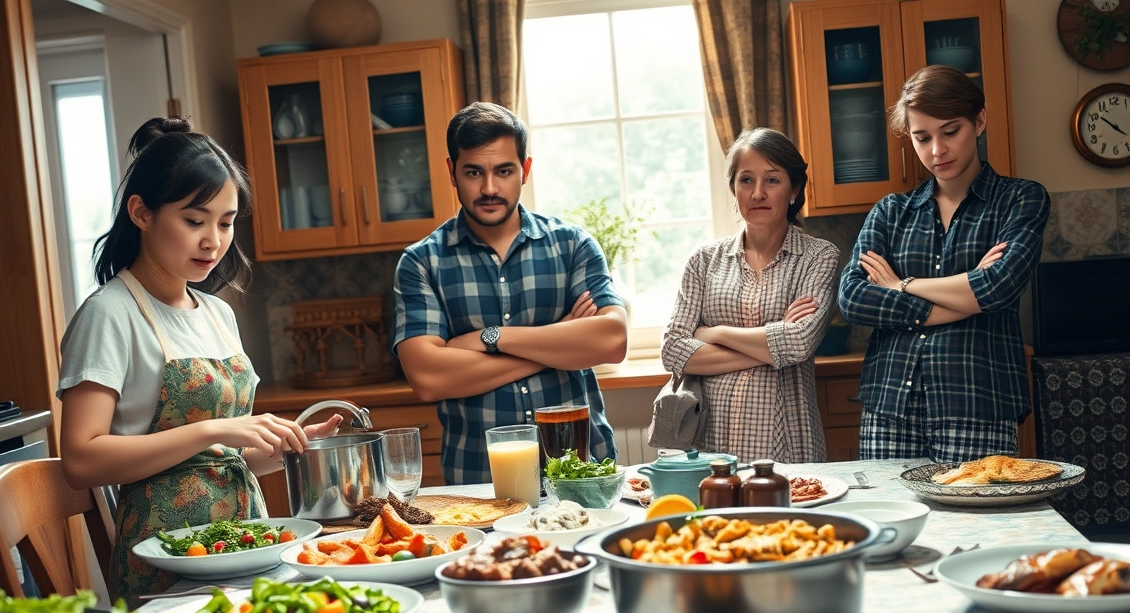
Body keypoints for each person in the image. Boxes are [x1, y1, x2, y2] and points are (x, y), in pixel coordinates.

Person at [57, 116, 342, 606]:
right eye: (194, 221)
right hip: (163, 559)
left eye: (226, 223)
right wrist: (214, 430)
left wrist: (282, 447)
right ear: (141, 213)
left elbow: (219, 462)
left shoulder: (216, 314)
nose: (213, 240)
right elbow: (81, 460)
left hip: (244, 545)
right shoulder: (109, 313)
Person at [393, 102, 628, 484]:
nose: (489, 188)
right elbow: (427, 377)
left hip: (583, 473)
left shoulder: (572, 246)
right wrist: (557, 344)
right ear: (451, 172)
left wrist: (491, 339)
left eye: (504, 171)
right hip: (479, 482)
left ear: (526, 170)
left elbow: (612, 341)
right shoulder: (423, 262)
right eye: (474, 172)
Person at [836, 65, 1050, 464]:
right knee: (894, 524)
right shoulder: (890, 212)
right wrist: (966, 293)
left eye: (950, 131)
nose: (937, 150)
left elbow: (999, 287)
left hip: (978, 403)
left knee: (976, 525)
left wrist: (900, 284)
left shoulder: (1021, 199)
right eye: (922, 137)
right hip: (889, 406)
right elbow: (852, 299)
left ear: (979, 121)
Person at [660, 127, 840, 463]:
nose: (758, 193)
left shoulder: (819, 256)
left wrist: (714, 334)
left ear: (794, 189)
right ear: (733, 188)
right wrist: (773, 347)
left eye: (772, 180)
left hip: (790, 442)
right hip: (711, 445)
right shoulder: (704, 260)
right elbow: (672, 351)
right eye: (746, 180)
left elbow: (799, 342)